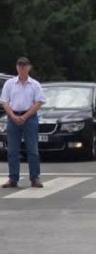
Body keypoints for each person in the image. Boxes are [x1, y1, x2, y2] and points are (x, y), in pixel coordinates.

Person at [1, 57, 47, 189]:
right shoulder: (9, 84)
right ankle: (13, 178)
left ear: (29, 68)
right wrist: (13, 116)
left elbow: (38, 102)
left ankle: (34, 178)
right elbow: (4, 102)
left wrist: (26, 116)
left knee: (32, 149)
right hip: (13, 116)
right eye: (20, 66)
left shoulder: (35, 84)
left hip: (30, 117)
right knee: (12, 150)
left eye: (24, 66)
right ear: (16, 67)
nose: (22, 68)